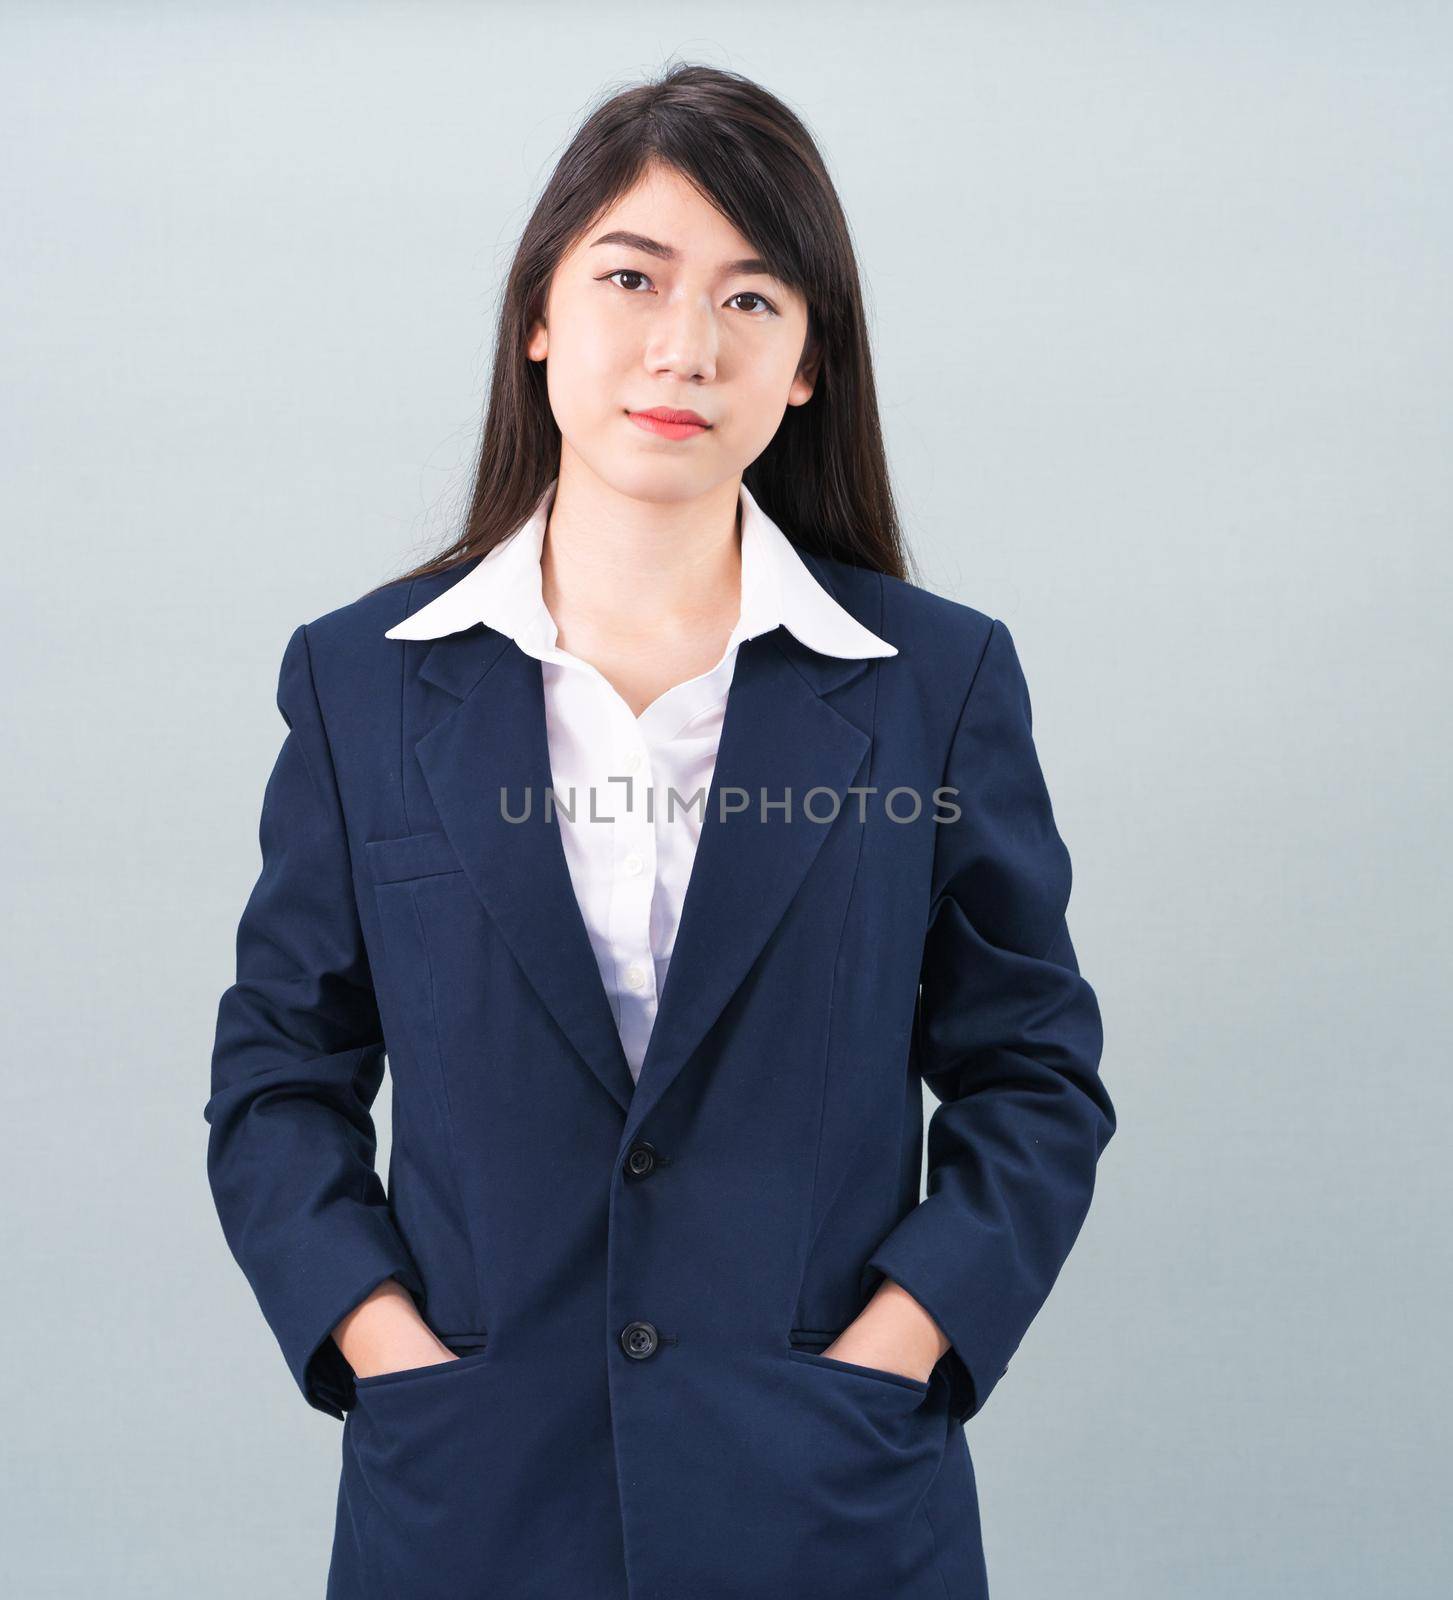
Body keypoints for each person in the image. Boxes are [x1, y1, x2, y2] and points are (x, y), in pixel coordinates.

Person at [204, 62, 1116, 1600]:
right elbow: (279, 1074)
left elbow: (1031, 1073)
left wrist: (903, 1347)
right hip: (472, 1500)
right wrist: (386, 1350)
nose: (686, 345)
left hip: (825, 1500)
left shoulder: (932, 686)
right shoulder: (362, 683)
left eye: (755, 301)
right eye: (633, 277)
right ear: (540, 316)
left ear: (808, 365)